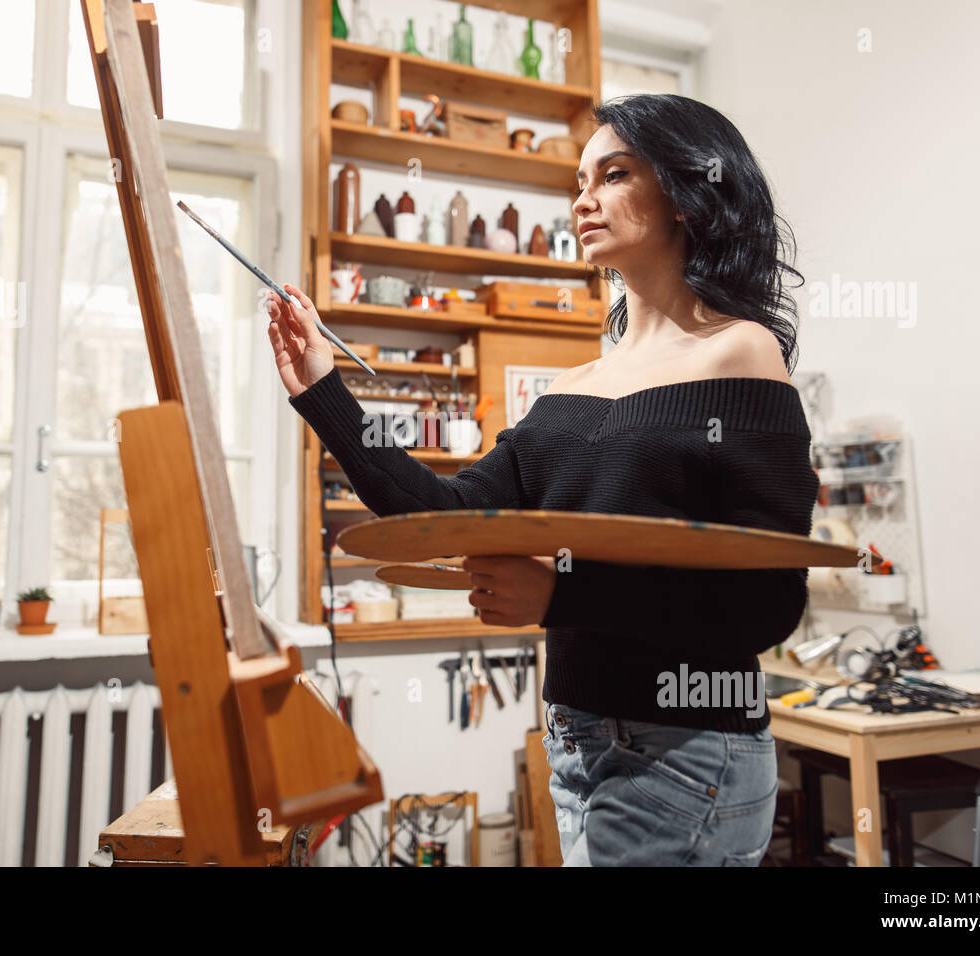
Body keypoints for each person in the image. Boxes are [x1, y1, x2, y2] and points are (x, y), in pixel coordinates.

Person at [266, 93, 818, 866]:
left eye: (614, 174)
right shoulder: (570, 391)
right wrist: (320, 390)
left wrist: (562, 597)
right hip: (577, 738)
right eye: (580, 180)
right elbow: (442, 513)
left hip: (688, 750)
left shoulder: (741, 354)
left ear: (691, 193)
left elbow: (767, 601)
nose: (583, 199)